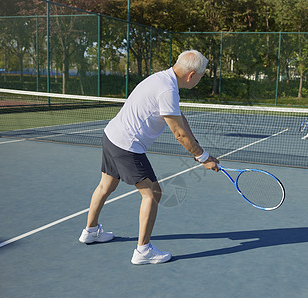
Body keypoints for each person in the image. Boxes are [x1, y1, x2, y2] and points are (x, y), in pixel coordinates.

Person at [78, 50, 219, 265]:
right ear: (191, 75)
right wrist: (204, 157)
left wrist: (198, 149)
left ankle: (91, 231)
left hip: (112, 136)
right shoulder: (167, 90)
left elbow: (180, 119)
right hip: (127, 145)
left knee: (105, 186)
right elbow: (179, 133)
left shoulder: (162, 79)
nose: (200, 80)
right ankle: (143, 251)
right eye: (200, 76)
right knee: (153, 192)